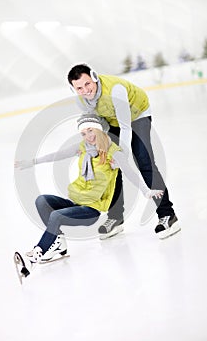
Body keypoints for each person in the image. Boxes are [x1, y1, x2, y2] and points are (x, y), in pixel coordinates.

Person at [14, 114, 163, 278]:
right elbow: (59, 154)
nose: (88, 136)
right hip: (76, 201)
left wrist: (147, 191)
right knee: (42, 201)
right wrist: (32, 162)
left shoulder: (113, 153)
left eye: (90, 131)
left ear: (99, 130)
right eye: (83, 133)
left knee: (56, 216)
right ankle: (58, 244)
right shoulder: (83, 147)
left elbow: (131, 173)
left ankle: (35, 257)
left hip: (91, 209)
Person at [67, 64, 181, 240]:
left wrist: (123, 154)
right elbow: (98, 123)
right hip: (111, 120)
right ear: (73, 88)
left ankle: (168, 215)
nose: (85, 90)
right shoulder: (80, 100)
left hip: (137, 115)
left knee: (144, 161)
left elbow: (126, 126)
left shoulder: (115, 90)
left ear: (94, 77)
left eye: (87, 84)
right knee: (109, 165)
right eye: (79, 88)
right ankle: (115, 218)